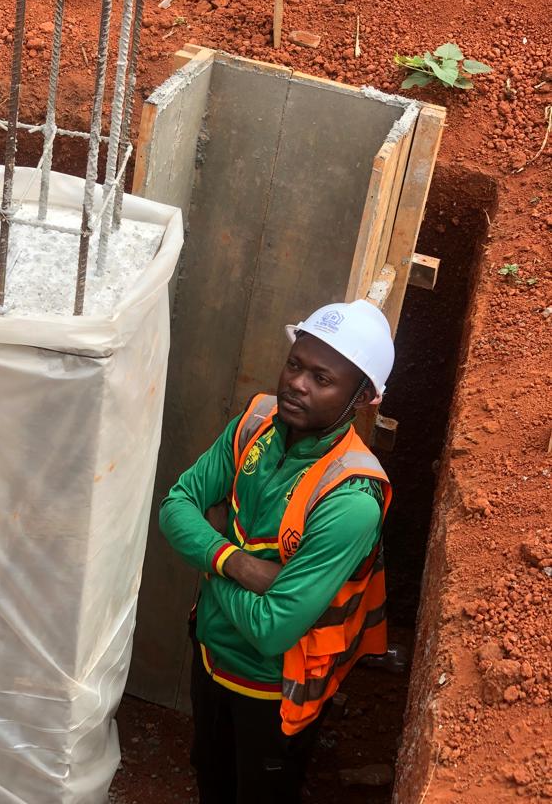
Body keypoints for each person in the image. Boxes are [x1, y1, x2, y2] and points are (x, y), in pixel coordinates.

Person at [159, 299, 396, 804]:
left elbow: (273, 630)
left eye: (322, 379)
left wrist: (207, 552)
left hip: (276, 690)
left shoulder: (351, 499)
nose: (297, 384)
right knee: (212, 777)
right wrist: (237, 563)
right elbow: (174, 507)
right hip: (210, 654)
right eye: (295, 364)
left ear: (360, 398)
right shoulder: (257, 421)